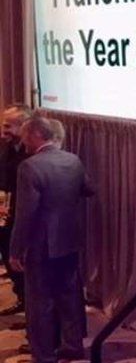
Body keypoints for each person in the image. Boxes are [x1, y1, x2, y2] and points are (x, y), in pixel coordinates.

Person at [10, 116, 89, 363]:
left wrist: (15, 250)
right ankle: (73, 346)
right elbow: (89, 189)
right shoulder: (73, 160)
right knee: (70, 296)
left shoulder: (29, 167)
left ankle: (43, 356)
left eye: (25, 136)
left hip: (41, 246)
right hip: (70, 240)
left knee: (40, 303)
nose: (23, 141)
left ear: (36, 135)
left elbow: (26, 214)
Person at [0, 104, 33, 315]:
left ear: (24, 126)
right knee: (8, 258)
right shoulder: (5, 147)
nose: (3, 132)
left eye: (7, 126)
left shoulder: (32, 153)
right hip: (5, 213)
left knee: (23, 264)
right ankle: (22, 299)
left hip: (24, 217)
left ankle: (32, 312)